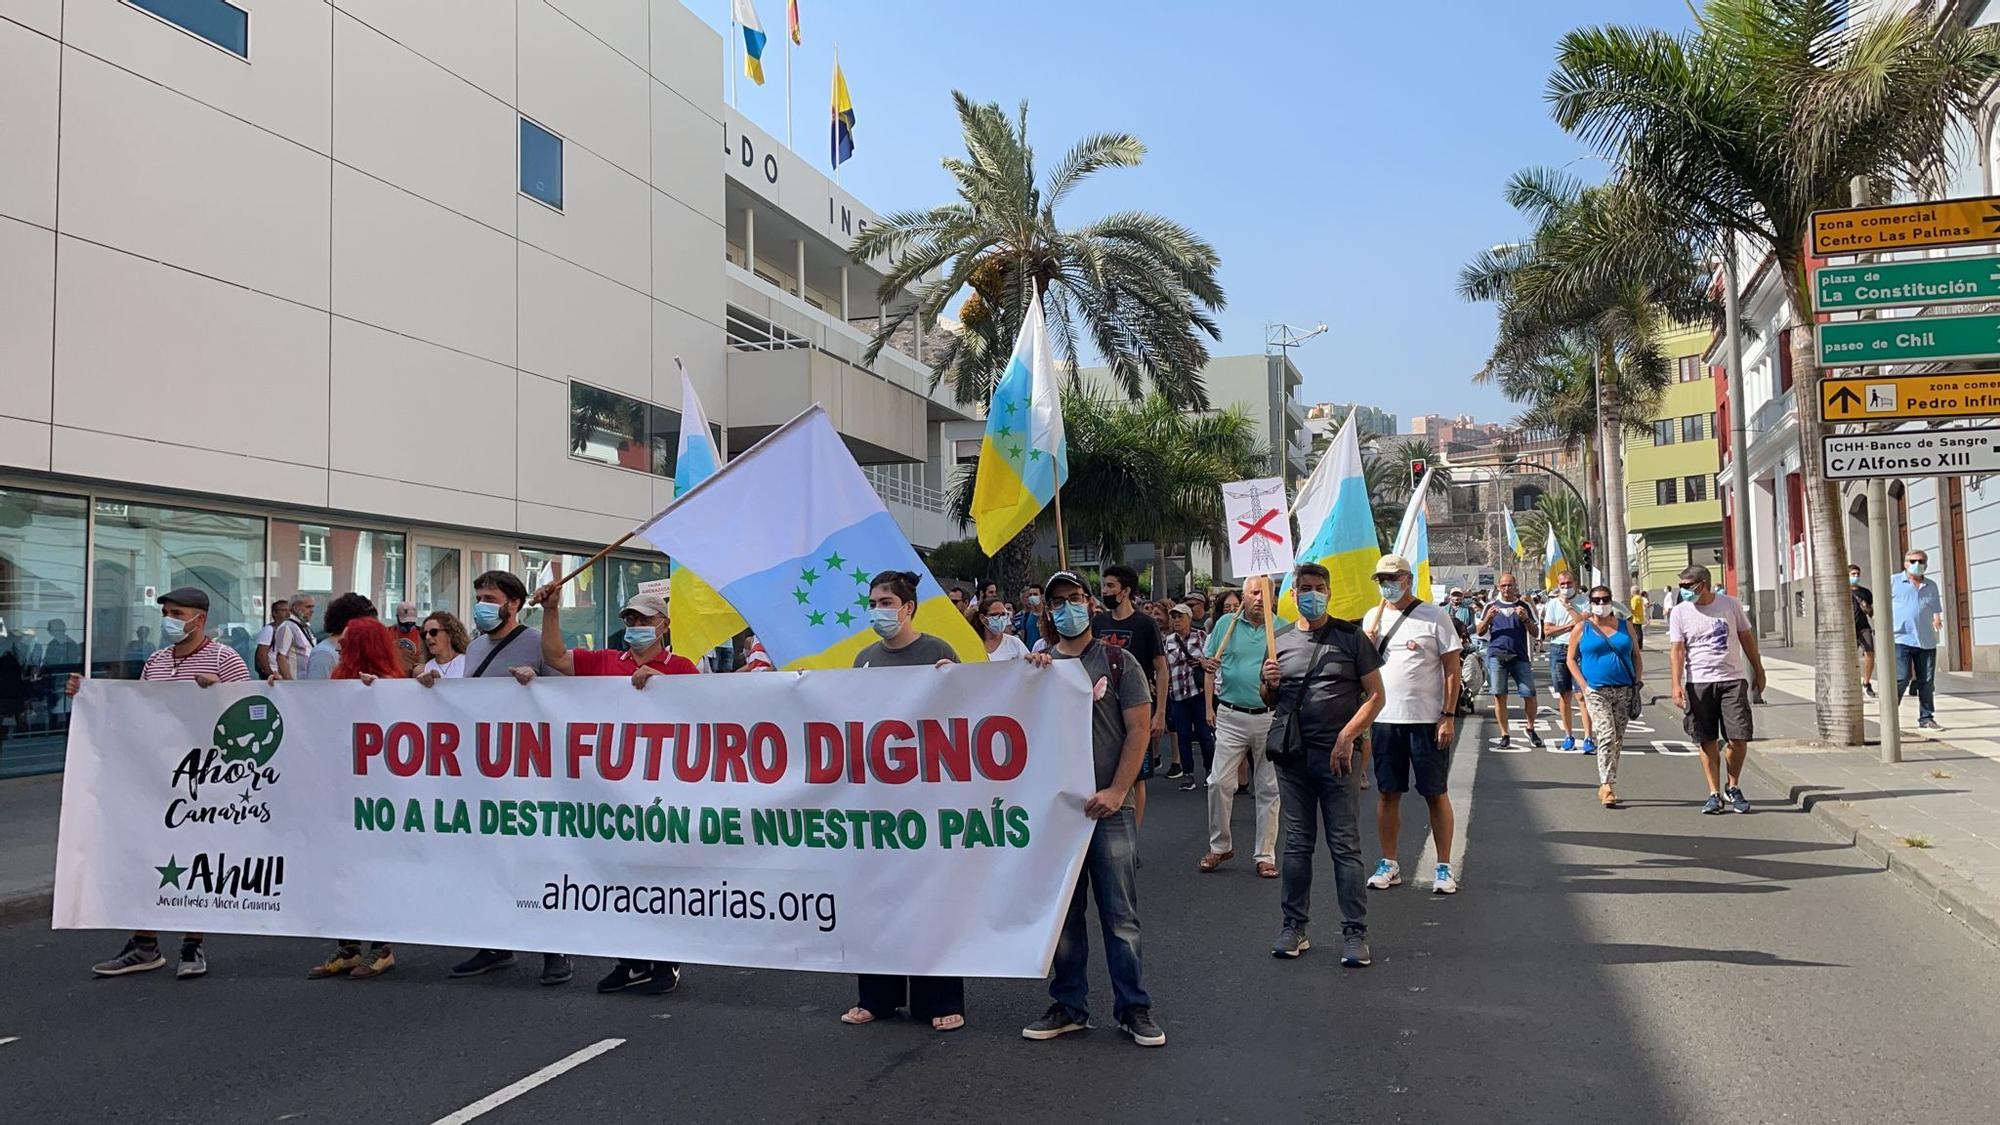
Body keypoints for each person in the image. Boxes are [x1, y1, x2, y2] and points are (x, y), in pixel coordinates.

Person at [522, 576, 698, 996]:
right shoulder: (604, 661)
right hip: (611, 791)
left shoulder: (683, 669)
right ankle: (631, 960)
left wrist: (662, 687)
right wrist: (550, 611)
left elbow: (702, 719)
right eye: (631, 619)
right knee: (620, 875)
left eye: (645, 619)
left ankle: (666, 960)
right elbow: (557, 658)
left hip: (661, 789)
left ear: (663, 625)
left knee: (660, 876)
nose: (636, 625)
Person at [67, 588, 248, 979]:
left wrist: (218, 691)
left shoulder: (224, 658)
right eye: (166, 611)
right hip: (156, 775)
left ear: (198, 619)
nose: (168, 618)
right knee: (149, 854)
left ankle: (192, 944)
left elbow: (247, 712)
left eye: (176, 612)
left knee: (199, 857)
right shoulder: (157, 661)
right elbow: (139, 708)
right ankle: (144, 942)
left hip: (204, 776)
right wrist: (88, 696)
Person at [1019, 570, 1163, 1047]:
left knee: (1120, 916)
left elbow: (1139, 731)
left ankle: (1133, 1007)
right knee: (1064, 915)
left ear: (1090, 603)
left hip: (1108, 809)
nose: (1066, 608)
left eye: (1074, 598)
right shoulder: (1038, 669)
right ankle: (1069, 1005)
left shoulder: (1119, 662)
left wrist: (1120, 791)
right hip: (1058, 814)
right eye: (1056, 601)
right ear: (1047, 612)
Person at [427, 570, 573, 986]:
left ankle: (553, 947)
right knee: (488, 859)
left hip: (528, 772)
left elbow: (569, 699)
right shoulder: (473, 649)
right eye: (478, 597)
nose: (482, 606)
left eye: (490, 598)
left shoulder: (535, 643)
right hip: (484, 771)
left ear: (513, 603)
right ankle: (494, 942)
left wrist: (536, 684)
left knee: (536, 858)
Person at [844, 571, 965, 1032]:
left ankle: (939, 998)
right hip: (878, 801)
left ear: (909, 607)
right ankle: (876, 996)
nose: (879, 609)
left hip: (928, 801)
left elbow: (966, 716)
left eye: (887, 601)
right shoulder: (864, 660)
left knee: (931, 897)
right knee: (877, 897)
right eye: (873, 601)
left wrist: (951, 684)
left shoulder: (938, 654)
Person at [1263, 563, 1386, 965]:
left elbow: (1375, 697)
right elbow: (1269, 700)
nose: (1311, 594)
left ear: (1329, 593)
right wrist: (1269, 682)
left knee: (1345, 846)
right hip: (1293, 759)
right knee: (1297, 845)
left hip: (1338, 761)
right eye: (1304, 588)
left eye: (1318, 588)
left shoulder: (1351, 638)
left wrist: (1347, 738)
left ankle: (1355, 933)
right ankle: (1293, 928)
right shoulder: (1277, 639)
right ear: (1293, 594)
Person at [306, 618, 406, 981]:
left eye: (347, 643)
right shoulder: (338, 682)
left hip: (378, 797)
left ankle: (382, 947)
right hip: (341, 791)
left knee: (375, 869)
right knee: (342, 870)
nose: (339, 648)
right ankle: (348, 947)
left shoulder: (395, 687)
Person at [1361, 555, 1462, 896]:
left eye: (1392, 578)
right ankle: (1389, 863)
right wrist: (1368, 641)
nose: (1386, 585)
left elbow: (1452, 668)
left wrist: (1447, 715)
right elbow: (1362, 671)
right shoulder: (1371, 620)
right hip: (1386, 721)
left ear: (1407, 579)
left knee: (1435, 794)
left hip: (1427, 721)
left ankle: (1445, 866)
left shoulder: (1434, 615)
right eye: (1381, 580)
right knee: (1388, 793)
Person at [1667, 564, 1766, 815]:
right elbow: (1677, 650)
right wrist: (1676, 684)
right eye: (1681, 586)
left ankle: (1733, 786)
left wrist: (1758, 669)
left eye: (1688, 586)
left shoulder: (1729, 605)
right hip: (1698, 682)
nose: (1684, 591)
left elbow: (1746, 637)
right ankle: (1713, 793)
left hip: (1732, 679)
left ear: (1703, 584)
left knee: (1739, 737)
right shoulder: (1679, 612)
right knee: (1706, 738)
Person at [1197, 583, 1282, 875]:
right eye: (1254, 592)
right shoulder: (1225, 623)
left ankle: (1265, 855)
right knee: (1218, 781)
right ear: (1244, 595)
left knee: (1268, 787)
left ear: (1274, 596)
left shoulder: (1283, 629)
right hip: (1231, 713)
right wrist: (1206, 663)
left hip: (1269, 716)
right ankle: (1220, 846)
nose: (1259, 598)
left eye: (1265, 592)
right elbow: (1207, 659)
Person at [1094, 565, 1168, 827]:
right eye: (1104, 585)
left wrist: (1160, 712)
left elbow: (1161, 668)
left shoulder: (1145, 624)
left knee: (1137, 776)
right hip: (1103, 711)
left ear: (1125, 591)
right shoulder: (1098, 622)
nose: (1105, 591)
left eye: (1111, 586)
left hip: (1136, 708)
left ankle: (1132, 837)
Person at [1568, 585, 1642, 809]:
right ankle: (1606, 784)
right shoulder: (1582, 628)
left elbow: (1636, 656)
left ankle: (1608, 782)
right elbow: (1571, 659)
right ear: (1590, 603)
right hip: (1597, 691)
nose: (1601, 604)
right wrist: (1584, 685)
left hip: (1624, 690)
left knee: (1617, 739)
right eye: (1597, 600)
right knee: (1607, 734)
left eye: (1605, 599)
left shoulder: (1624, 626)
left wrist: (1637, 682)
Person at [1477, 575, 1543, 749]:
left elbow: (1536, 633)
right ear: (1499, 587)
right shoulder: (1490, 607)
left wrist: (1525, 619)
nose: (1507, 589)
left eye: (1510, 585)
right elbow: (1480, 632)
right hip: (1496, 655)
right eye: (1504, 586)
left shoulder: (1524, 606)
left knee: (1529, 693)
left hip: (1519, 656)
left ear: (1516, 586)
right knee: (1499, 695)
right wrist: (1488, 619)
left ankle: (1530, 728)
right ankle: (1504, 734)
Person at [1892, 548, 1946, 731]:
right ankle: (1890, 714)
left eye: (1921, 561)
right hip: (1901, 638)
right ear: (1905, 563)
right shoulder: (1893, 582)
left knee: (1927, 681)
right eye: (1913, 561)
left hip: (1926, 640)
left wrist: (1937, 618)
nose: (1917, 565)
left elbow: (1935, 608)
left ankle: (1926, 718)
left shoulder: (1931, 585)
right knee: (1901, 678)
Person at [1540, 572, 1595, 754]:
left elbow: (1584, 623)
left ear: (1575, 583)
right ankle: (1568, 735)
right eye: (1562, 584)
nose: (1565, 586)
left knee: (1582, 695)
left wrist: (1570, 608)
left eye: (1568, 583)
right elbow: (1547, 630)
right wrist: (1568, 627)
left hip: (1580, 650)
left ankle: (1588, 737)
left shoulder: (1584, 601)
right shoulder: (1553, 603)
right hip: (1559, 650)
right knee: (1564, 695)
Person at [1162, 602, 1212, 791]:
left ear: (1189, 618)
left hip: (1197, 692)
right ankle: (1188, 774)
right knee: (1183, 736)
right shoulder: (1168, 640)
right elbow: (1165, 666)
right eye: (1173, 617)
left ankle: (1209, 771)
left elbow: (1209, 659)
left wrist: (1200, 661)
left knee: (1204, 735)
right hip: (1177, 693)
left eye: (1180, 616)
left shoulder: (1201, 636)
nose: (1176, 620)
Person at [269, 592, 316, 679]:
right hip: (296, 682)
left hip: (306, 681)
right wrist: (290, 684)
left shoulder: (305, 627)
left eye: (313, 607)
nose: (312, 610)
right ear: (296, 608)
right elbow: (281, 658)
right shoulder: (287, 627)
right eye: (308, 607)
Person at [1850, 563, 1876, 699]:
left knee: (1870, 653)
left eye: (1858, 574)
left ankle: (1866, 683)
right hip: (1849, 629)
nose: (1856, 577)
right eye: (1853, 574)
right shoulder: (1842, 592)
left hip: (1864, 627)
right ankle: (1851, 684)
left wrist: (1867, 608)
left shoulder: (1865, 592)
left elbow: (1872, 612)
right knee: (1850, 658)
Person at [420, 611, 469, 679]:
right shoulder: (427, 668)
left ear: (449, 634)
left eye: (433, 632)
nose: (427, 637)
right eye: (424, 634)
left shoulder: (466, 662)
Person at [253, 599, 291, 679]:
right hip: (274, 675)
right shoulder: (269, 629)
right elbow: (262, 654)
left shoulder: (287, 630)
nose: (288, 614)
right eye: (284, 610)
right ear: (274, 613)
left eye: (289, 610)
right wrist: (270, 674)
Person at [389, 601, 425, 674]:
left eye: (411, 623)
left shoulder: (423, 634)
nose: (408, 626)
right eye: (405, 623)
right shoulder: (387, 633)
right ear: (397, 617)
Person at [1013, 585, 1045, 651]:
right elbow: (1023, 638)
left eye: (1035, 594)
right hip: (1031, 655)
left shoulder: (1049, 614)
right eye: (1030, 595)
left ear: (1041, 596)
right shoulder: (1025, 617)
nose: (1032, 597)